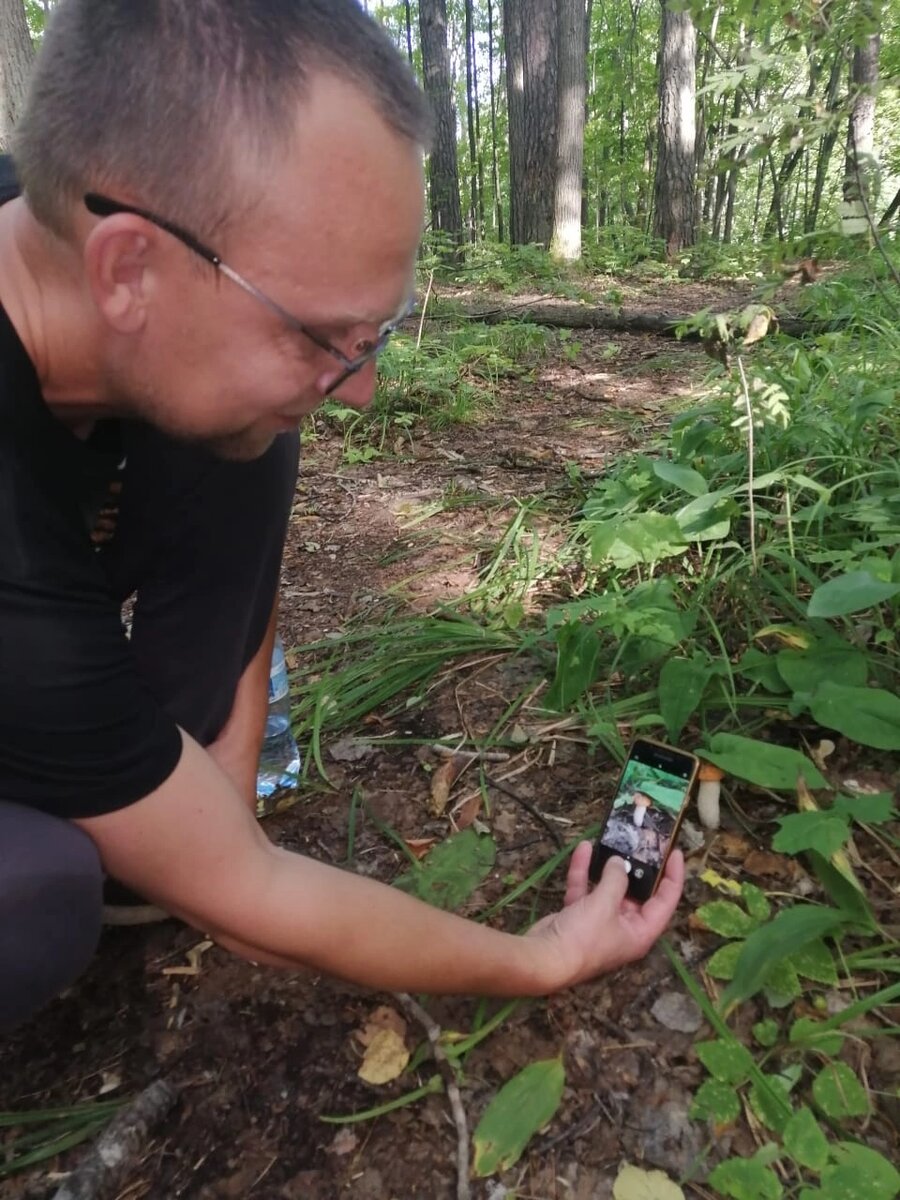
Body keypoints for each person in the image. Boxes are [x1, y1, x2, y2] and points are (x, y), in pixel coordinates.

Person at [0, 0, 683, 1035]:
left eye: (371, 340)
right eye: (328, 336)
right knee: (34, 891)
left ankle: (151, 807)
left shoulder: (48, 223)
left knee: (247, 420)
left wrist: (225, 778)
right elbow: (257, 907)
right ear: (128, 267)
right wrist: (542, 956)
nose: (359, 391)